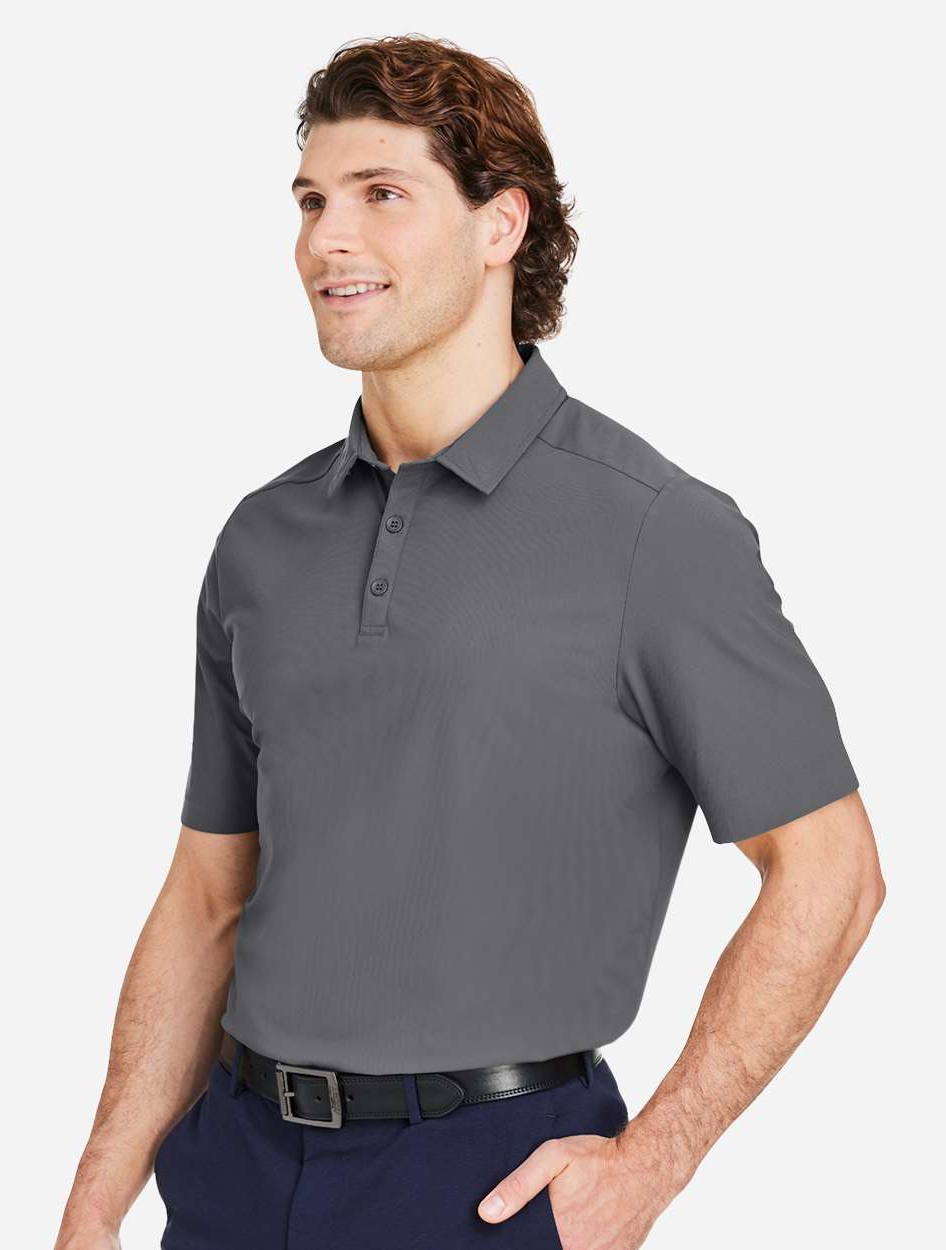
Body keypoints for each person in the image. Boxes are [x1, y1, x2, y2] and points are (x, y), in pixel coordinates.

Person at [54, 34, 885, 1250]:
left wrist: (652, 1161)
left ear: (501, 225)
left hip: (485, 1183)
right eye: (311, 201)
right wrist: (94, 1199)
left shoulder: (654, 530)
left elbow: (831, 869)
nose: (327, 240)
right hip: (234, 1165)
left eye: (380, 195)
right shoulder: (262, 539)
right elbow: (205, 894)